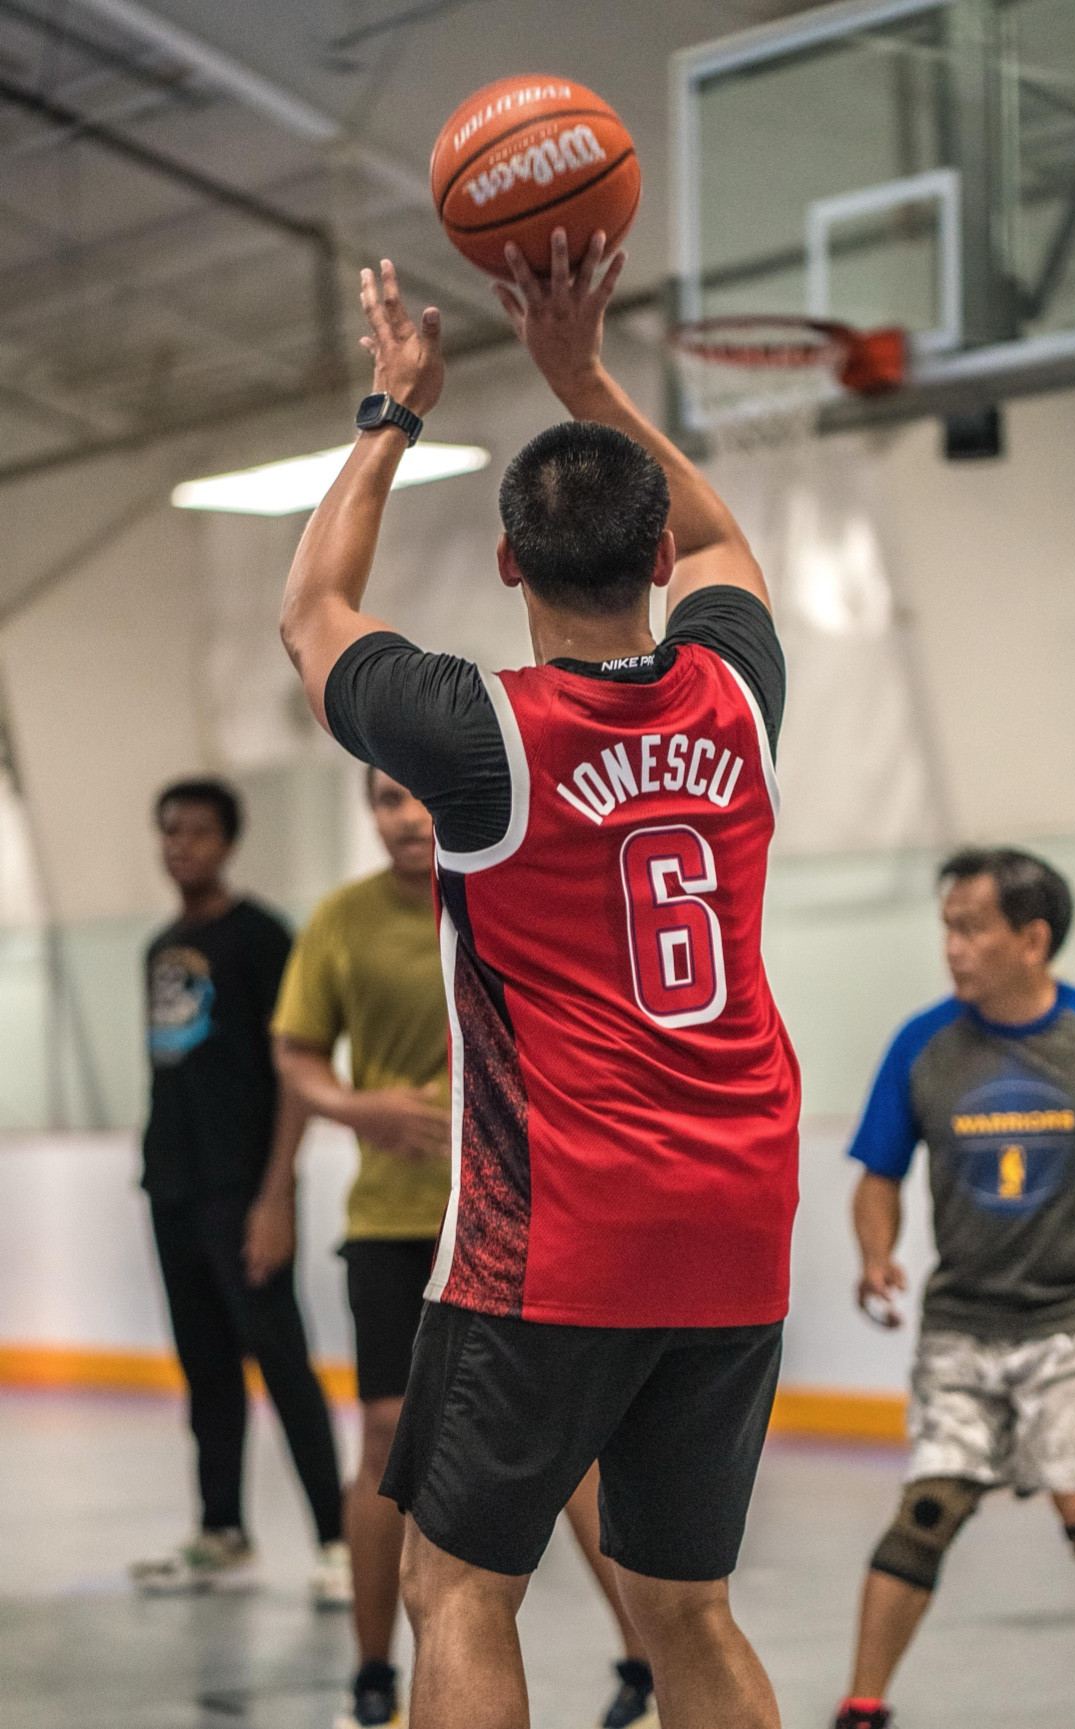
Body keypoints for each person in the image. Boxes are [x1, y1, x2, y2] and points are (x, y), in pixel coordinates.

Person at [277, 229, 800, 1729]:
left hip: (560, 1229)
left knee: (461, 1586)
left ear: (508, 562)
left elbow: (311, 614)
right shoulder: (737, 690)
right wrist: (581, 369)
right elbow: (720, 548)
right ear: (649, 561)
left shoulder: (476, 732)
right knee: (687, 1607)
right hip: (739, 1212)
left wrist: (393, 411)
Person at [271, 765, 657, 1729]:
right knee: (384, 1443)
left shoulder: (515, 883)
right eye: (387, 800)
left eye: (420, 796)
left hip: (523, 1216)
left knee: (565, 1453)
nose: (406, 816)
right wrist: (354, 1106)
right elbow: (295, 1052)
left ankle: (645, 1662)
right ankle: (374, 1677)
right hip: (394, 1224)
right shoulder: (341, 922)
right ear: (370, 814)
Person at [834, 847, 1075, 1729]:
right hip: (962, 1322)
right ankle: (861, 1706)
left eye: (970, 927)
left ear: (1032, 937)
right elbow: (877, 1172)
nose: (952, 946)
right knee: (926, 1509)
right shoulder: (923, 1042)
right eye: (946, 927)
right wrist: (874, 1253)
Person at [131, 777, 348, 1603]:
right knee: (206, 1365)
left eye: (195, 831)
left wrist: (275, 1193)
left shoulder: (262, 938)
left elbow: (294, 1072)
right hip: (174, 1188)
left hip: (240, 1186)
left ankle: (333, 1536)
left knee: (281, 1359)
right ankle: (221, 1528)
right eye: (169, 831)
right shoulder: (156, 947)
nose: (179, 844)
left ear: (227, 841)